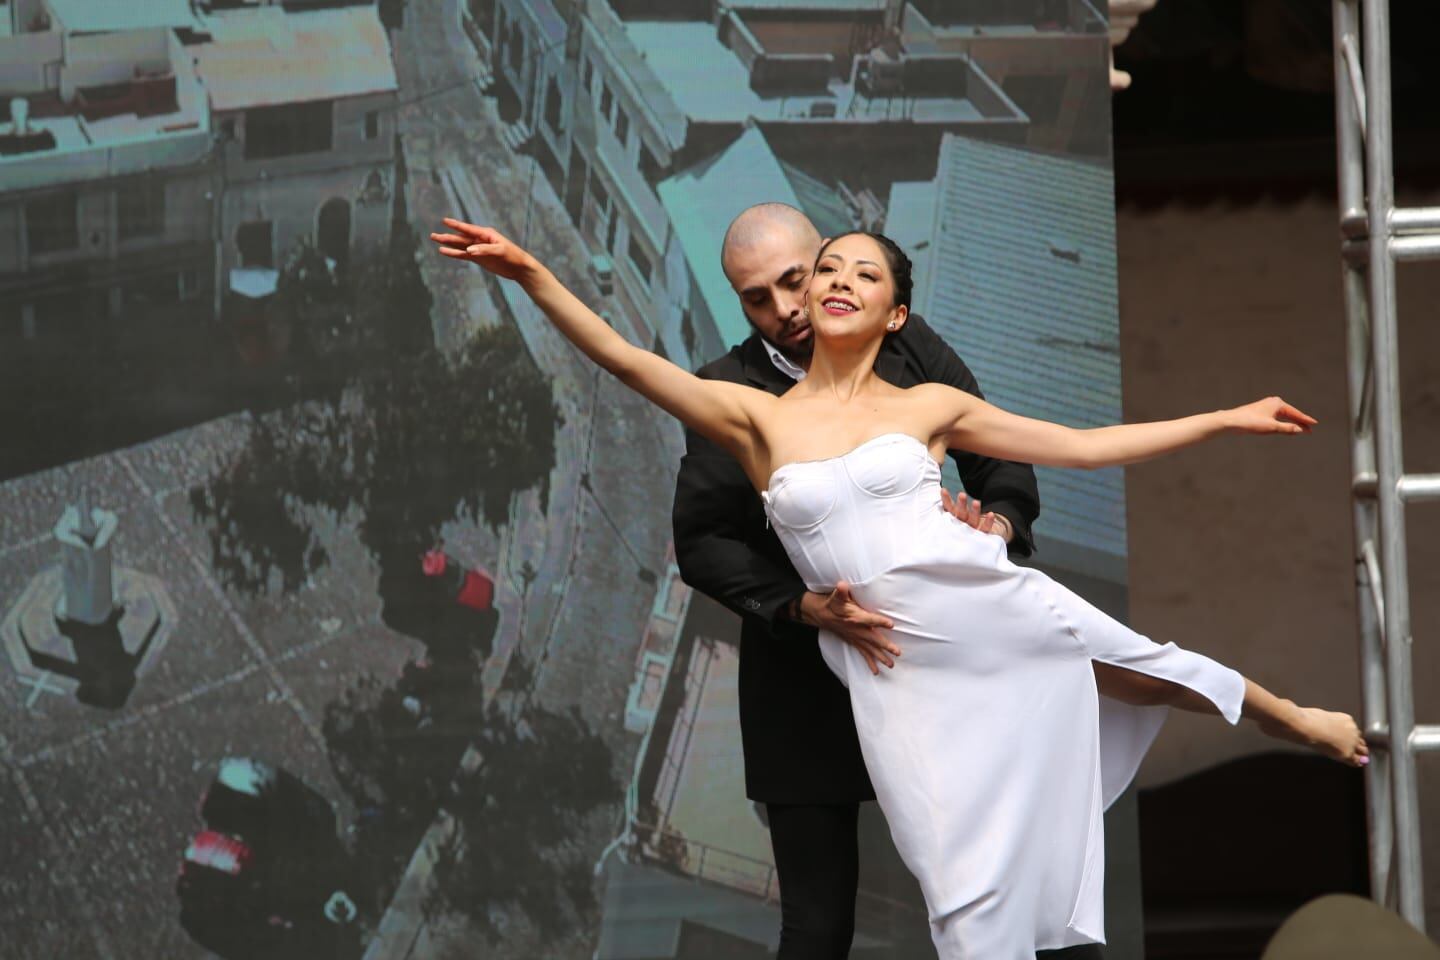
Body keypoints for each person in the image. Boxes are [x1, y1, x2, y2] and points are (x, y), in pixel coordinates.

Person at [429, 219, 1368, 960]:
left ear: (896, 317)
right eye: (826, 267)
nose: (834, 282)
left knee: (1141, 666)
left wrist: (1226, 417)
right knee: (960, 897)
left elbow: (1082, 446)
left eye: (860, 275)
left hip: (979, 600)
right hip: (892, 666)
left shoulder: (931, 405)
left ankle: (1291, 716)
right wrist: (531, 274)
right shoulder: (751, 413)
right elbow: (628, 361)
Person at [669, 203, 1051, 958]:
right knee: (817, 930)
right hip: (801, 686)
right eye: (755, 298)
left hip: (931, 664)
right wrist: (802, 606)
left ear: (828, 263)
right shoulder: (723, 388)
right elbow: (701, 542)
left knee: (1001, 891)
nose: (783, 309)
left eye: (793, 280)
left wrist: (994, 531)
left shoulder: (905, 343)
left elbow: (1003, 466)